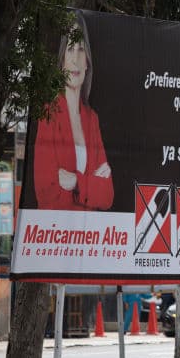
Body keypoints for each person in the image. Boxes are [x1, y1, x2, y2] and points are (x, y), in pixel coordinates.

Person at [32, 11, 113, 210]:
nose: (76, 59)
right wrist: (92, 184)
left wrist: (76, 182)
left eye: (81, 49)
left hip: (87, 238)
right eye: (70, 49)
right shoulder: (48, 114)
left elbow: (108, 195)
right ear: (61, 62)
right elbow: (46, 192)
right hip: (56, 235)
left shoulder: (92, 119)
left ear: (87, 62)